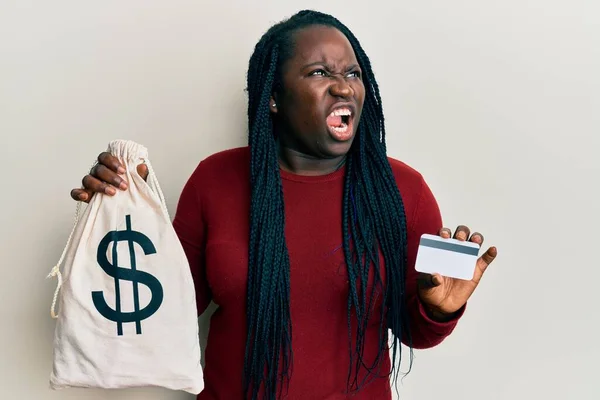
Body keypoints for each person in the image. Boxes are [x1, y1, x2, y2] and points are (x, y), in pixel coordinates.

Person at [70, 9, 497, 400]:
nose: (343, 85)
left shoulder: (402, 190)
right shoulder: (215, 181)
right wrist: (120, 219)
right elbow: (164, 315)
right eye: (318, 72)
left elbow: (415, 332)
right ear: (274, 97)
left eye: (352, 72)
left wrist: (440, 309)